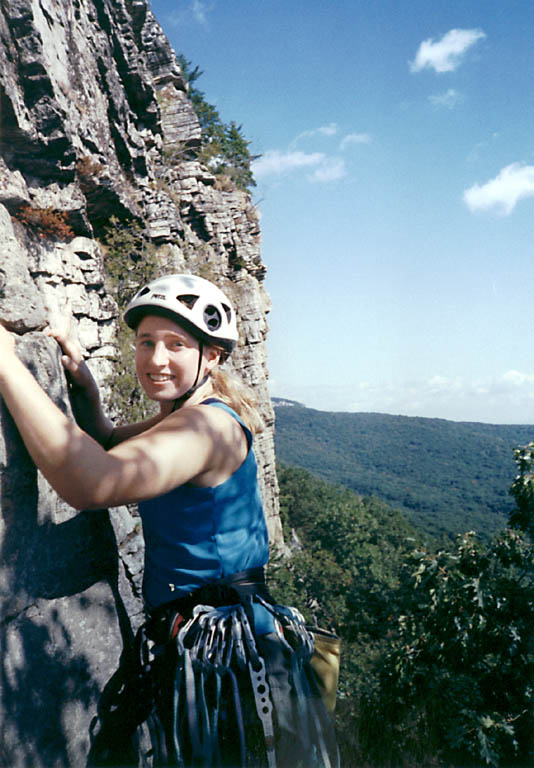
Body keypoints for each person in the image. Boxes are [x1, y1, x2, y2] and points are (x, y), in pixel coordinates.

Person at [0, 273, 338, 767]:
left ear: (213, 355)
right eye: (145, 342)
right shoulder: (192, 413)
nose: (156, 359)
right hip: (219, 632)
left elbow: (89, 482)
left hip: (221, 648)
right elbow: (113, 443)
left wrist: (7, 364)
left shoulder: (207, 427)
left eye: (176, 344)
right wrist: (84, 382)